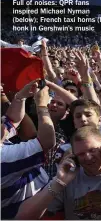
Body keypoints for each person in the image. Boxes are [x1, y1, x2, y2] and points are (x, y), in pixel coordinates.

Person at [15, 126, 101, 220]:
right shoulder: (69, 178)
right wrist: (58, 182)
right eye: (81, 154)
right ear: (74, 155)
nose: (87, 157)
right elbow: (23, 217)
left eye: (93, 150)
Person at [1, 83, 55, 219]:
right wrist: (42, 106)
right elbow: (47, 141)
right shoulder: (3, 159)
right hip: (26, 212)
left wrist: (20, 97)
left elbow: (12, 120)